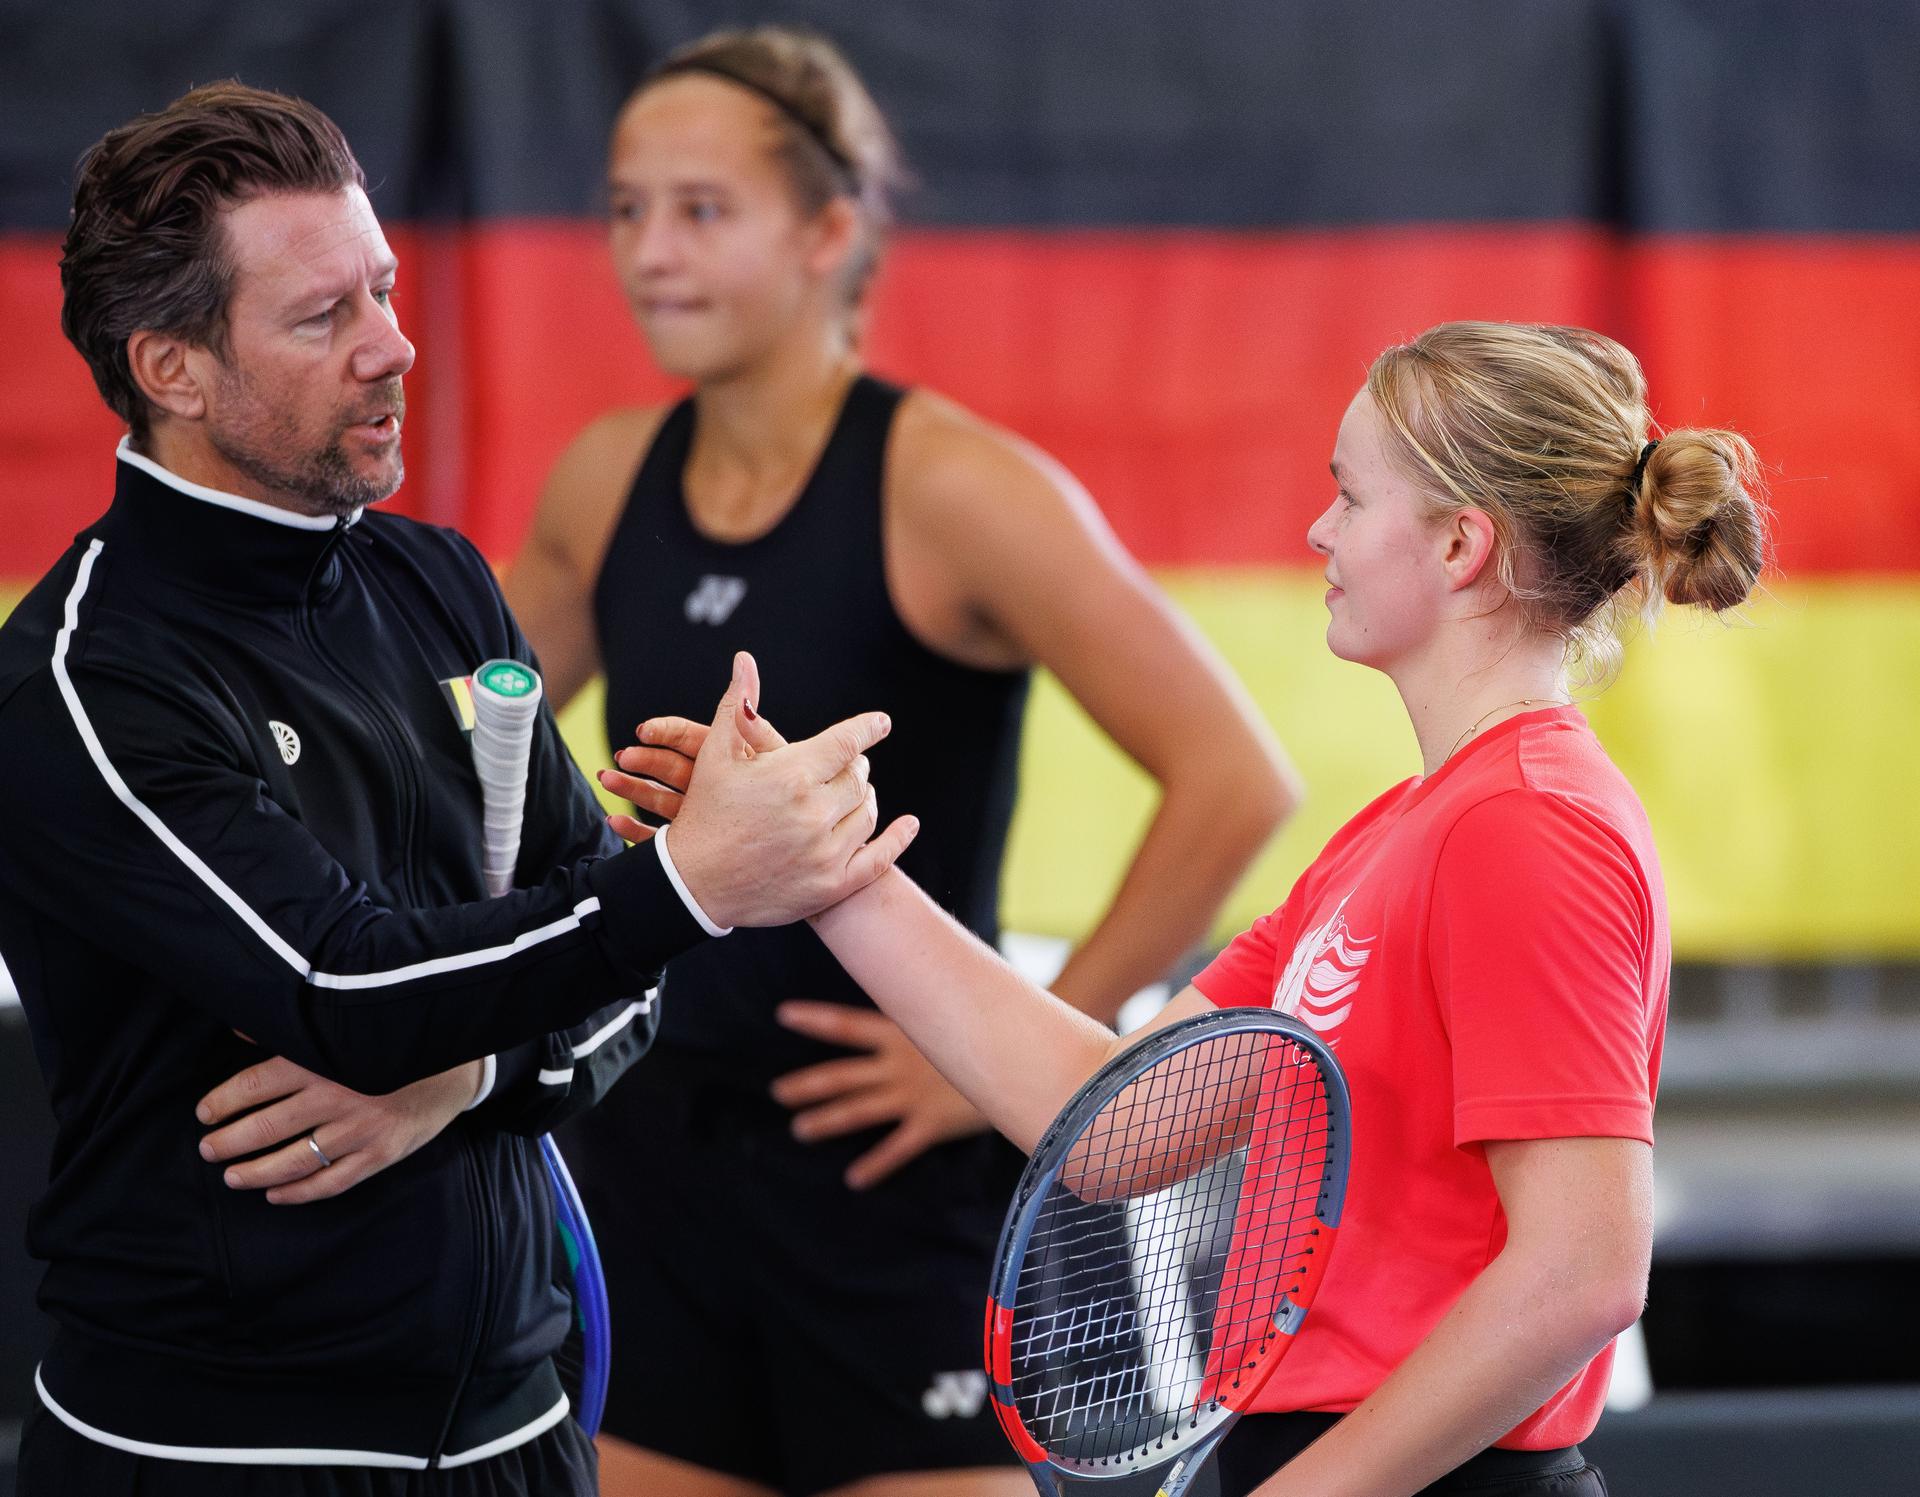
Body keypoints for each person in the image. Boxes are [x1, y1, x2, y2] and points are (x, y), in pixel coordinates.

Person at [612, 321, 1767, 1496]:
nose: (1319, 531)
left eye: (1350, 499)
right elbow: (1109, 1126)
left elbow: (1581, 1276)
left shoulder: (1531, 824)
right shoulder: (1401, 834)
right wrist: (829, 867)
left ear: (1463, 544)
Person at [0, 82, 912, 1496]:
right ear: (169, 368)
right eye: (322, 317)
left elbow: (612, 970)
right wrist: (687, 880)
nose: (393, 345)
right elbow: (342, 986)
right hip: (213, 1456)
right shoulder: (84, 679)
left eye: (385, 286)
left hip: (517, 1437)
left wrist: (473, 1076)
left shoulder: (435, 581)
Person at [503, 25, 1298, 1497]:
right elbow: (461, 752)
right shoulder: (604, 477)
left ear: (828, 230)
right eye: (625, 207)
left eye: (701, 209)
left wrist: (1031, 1046)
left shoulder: (952, 485)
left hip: (906, 1204)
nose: (650, 253)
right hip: (659, 1174)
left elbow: (1235, 773)